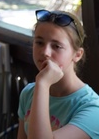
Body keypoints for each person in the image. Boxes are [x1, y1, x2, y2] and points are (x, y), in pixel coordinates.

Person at [17, 9, 99, 138]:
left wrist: (43, 84)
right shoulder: (29, 93)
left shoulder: (92, 109)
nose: (45, 52)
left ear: (77, 55)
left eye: (56, 46)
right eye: (39, 42)